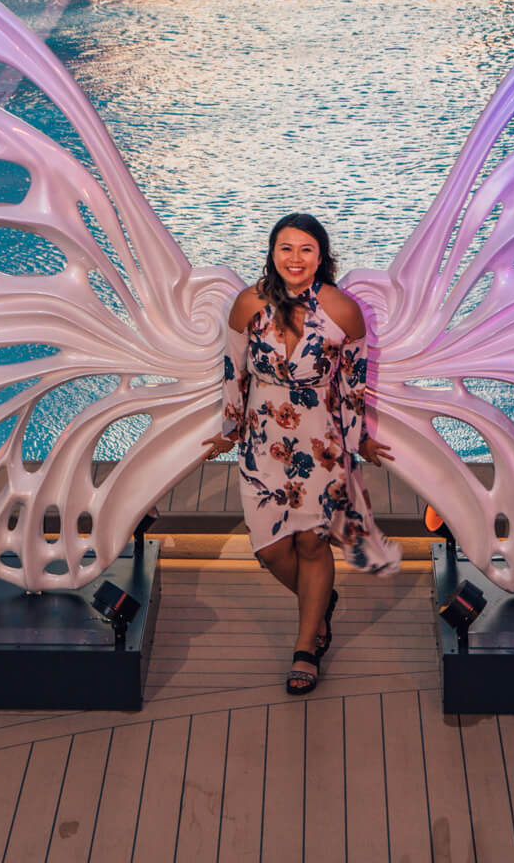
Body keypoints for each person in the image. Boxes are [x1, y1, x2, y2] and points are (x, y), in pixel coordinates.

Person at [204, 213, 398, 695]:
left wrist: (359, 441)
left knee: (312, 544)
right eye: (286, 248)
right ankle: (320, 606)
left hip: (321, 443)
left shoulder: (343, 311)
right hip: (261, 440)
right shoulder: (247, 304)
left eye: (305, 249)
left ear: (321, 255)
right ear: (272, 252)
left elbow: (353, 386)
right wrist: (229, 430)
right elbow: (233, 373)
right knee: (270, 550)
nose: (295, 258)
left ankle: (306, 647)